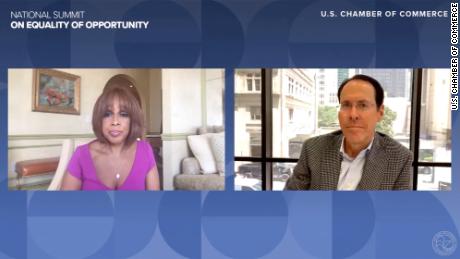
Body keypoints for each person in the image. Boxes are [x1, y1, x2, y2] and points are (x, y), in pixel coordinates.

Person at [284, 74, 413, 190]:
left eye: (363, 105)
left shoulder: (399, 158)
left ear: (380, 112)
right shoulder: (313, 149)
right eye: (346, 105)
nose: (353, 115)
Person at [61, 83, 160, 190]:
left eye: (123, 114)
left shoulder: (145, 150)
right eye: (107, 114)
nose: (115, 122)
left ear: (132, 120)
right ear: (99, 118)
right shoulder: (81, 155)